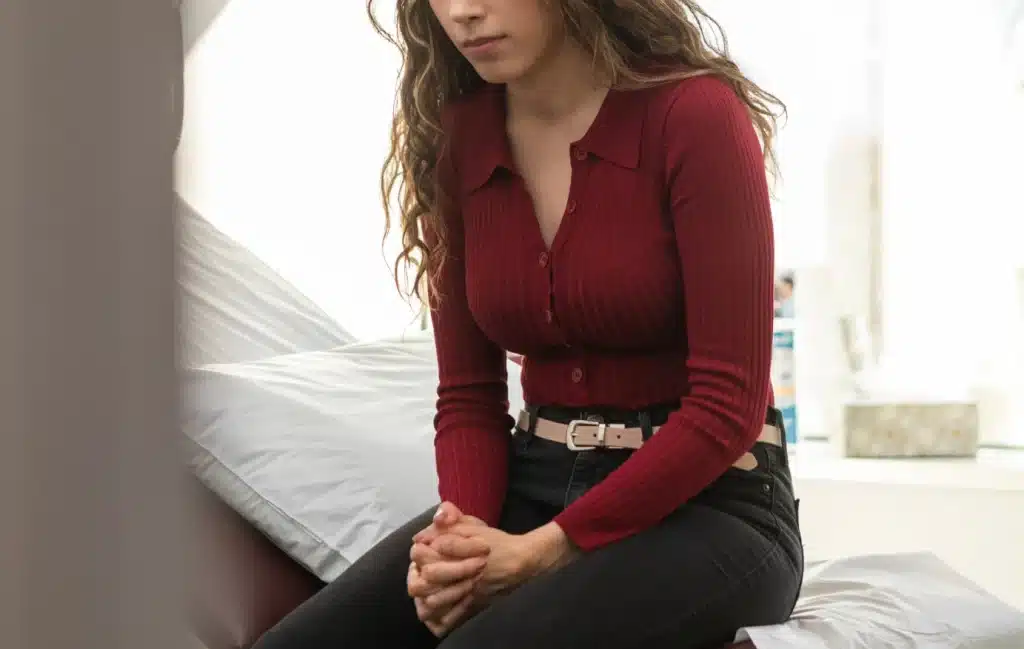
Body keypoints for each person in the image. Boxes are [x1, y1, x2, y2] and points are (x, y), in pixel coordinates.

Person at [253, 0, 803, 647]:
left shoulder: (696, 116)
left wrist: (543, 551)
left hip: (713, 506)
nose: (464, 12)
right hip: (533, 483)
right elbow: (468, 397)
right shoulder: (458, 139)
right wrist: (466, 540)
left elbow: (727, 405)